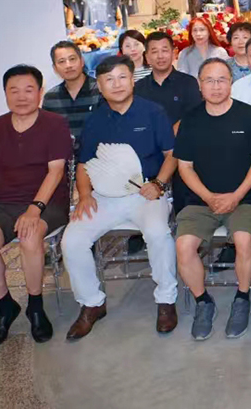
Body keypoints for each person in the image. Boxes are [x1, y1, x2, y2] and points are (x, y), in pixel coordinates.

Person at [62, 55, 179, 340]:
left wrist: (159, 184)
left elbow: (172, 154)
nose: (117, 84)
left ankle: (166, 299)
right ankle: (92, 303)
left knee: (158, 233)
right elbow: (84, 163)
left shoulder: (153, 112)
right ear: (100, 87)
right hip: (104, 196)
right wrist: (85, 195)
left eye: (122, 77)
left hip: (146, 193)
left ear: (132, 81)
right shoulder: (95, 120)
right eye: (109, 80)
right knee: (72, 240)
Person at [0, 65, 72, 350]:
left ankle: (35, 305)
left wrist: (34, 209)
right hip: (3, 203)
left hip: (48, 202)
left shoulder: (55, 123)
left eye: (29, 90)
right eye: (13, 91)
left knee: (30, 237)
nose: (21, 97)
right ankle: (5, 306)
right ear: (5, 94)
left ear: (40, 93)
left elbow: (55, 172)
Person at [174, 58, 251, 340]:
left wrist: (235, 196)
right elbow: (184, 167)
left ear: (231, 83)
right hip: (200, 199)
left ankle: (242, 297)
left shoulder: (249, 115)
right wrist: (209, 197)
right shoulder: (190, 120)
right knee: (183, 247)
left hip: (244, 197)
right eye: (209, 81)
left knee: (244, 241)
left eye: (222, 80)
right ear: (200, 85)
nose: (216, 86)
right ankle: (203, 302)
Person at [135, 31, 203, 133]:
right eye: (154, 52)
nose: (160, 56)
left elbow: (195, 116)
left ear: (174, 53)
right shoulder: (138, 88)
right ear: (147, 57)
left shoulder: (189, 83)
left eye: (164, 50)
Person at [42, 41, 102, 157]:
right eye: (62, 61)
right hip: (64, 162)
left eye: (72, 59)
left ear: (82, 61)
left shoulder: (101, 90)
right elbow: (48, 137)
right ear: (55, 68)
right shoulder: (50, 98)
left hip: (98, 161)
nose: (68, 65)